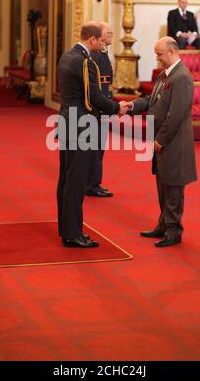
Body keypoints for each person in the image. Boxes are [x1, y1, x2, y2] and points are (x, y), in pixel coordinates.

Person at [56, 21, 127, 248]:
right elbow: (94, 97)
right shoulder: (84, 62)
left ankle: (67, 229)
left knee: (66, 179)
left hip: (67, 120)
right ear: (92, 39)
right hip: (81, 125)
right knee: (76, 182)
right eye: (101, 39)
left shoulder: (67, 56)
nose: (102, 43)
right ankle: (73, 234)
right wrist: (118, 108)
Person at [124, 37, 197, 247]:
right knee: (163, 184)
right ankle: (163, 225)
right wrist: (131, 105)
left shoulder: (181, 77)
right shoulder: (165, 75)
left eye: (159, 54)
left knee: (173, 186)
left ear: (172, 52)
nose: (157, 58)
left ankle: (174, 231)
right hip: (163, 141)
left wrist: (160, 139)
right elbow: (152, 101)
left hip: (173, 141)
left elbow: (176, 114)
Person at [86, 22, 114, 198]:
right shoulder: (95, 56)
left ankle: (94, 181)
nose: (111, 34)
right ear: (99, 35)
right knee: (95, 148)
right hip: (98, 107)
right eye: (108, 32)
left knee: (99, 148)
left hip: (104, 105)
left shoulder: (103, 53)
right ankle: (91, 184)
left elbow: (108, 79)